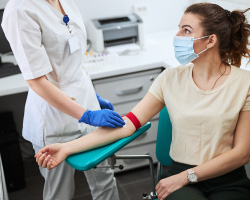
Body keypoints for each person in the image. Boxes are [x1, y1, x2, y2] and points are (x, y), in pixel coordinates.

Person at [35, 3, 250, 200]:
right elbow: (127, 124)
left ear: (211, 40)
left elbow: (242, 154)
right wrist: (66, 148)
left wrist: (188, 176)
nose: (176, 36)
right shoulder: (169, 79)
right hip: (179, 179)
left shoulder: (244, 83)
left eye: (186, 30)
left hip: (227, 179)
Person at [1, 0, 125, 199]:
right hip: (53, 121)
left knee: (105, 181)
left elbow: (73, 58)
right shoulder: (20, 9)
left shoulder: (65, 1)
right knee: (60, 193)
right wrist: (87, 114)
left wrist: (92, 96)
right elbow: (37, 82)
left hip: (87, 107)